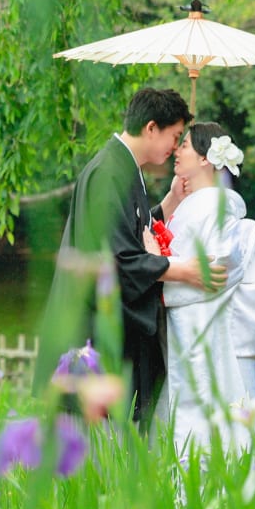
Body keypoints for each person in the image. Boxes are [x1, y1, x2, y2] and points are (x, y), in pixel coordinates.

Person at [34, 87, 225, 429]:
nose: (175, 147)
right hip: (89, 337)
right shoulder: (111, 173)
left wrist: (167, 206)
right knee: (95, 462)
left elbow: (126, 231)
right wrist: (182, 270)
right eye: (175, 136)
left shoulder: (121, 167)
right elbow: (115, 259)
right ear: (151, 127)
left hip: (96, 331)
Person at [147, 121, 255, 455]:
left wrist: (156, 264)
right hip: (186, 333)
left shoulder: (217, 211)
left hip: (202, 332)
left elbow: (213, 275)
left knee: (200, 431)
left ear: (206, 159)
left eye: (185, 144)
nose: (177, 150)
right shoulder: (192, 206)